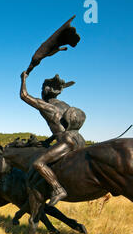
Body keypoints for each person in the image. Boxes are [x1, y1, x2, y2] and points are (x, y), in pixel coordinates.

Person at [20, 70, 86, 206]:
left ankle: (58, 189)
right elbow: (61, 126)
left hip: (67, 141)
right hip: (79, 139)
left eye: (41, 88)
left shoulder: (47, 107)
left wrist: (23, 79)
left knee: (38, 163)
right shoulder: (65, 105)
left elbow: (24, 95)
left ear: (46, 90)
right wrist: (49, 141)